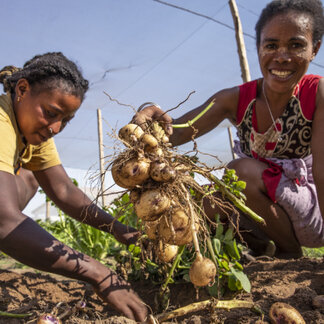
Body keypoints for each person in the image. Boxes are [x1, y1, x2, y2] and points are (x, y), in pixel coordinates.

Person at [133, 0, 324, 259]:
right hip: (265, 211)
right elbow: (176, 133)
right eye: (271, 45)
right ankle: (261, 249)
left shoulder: (317, 93)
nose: (282, 56)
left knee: (239, 173)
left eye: (296, 45)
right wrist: (150, 114)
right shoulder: (235, 99)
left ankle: (290, 253)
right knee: (206, 207)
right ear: (258, 48)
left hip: (311, 211)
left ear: (315, 49)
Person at [0, 52, 148, 322]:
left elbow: (64, 191)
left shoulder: (34, 133)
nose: (56, 128)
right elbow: (3, 219)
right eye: (51, 113)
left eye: (65, 121)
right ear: (22, 90)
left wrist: (118, 229)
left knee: (29, 177)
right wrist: (97, 272)